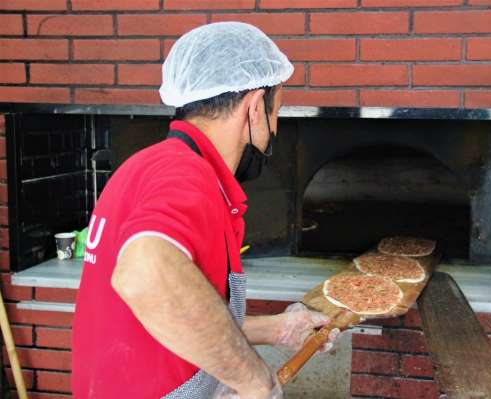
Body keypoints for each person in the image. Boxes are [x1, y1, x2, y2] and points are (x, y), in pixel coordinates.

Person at [72, 22, 338, 399]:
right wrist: (256, 383)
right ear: (254, 108)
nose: (275, 128)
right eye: (277, 111)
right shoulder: (187, 174)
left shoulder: (149, 165)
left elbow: (173, 314)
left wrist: (277, 330)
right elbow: (146, 273)